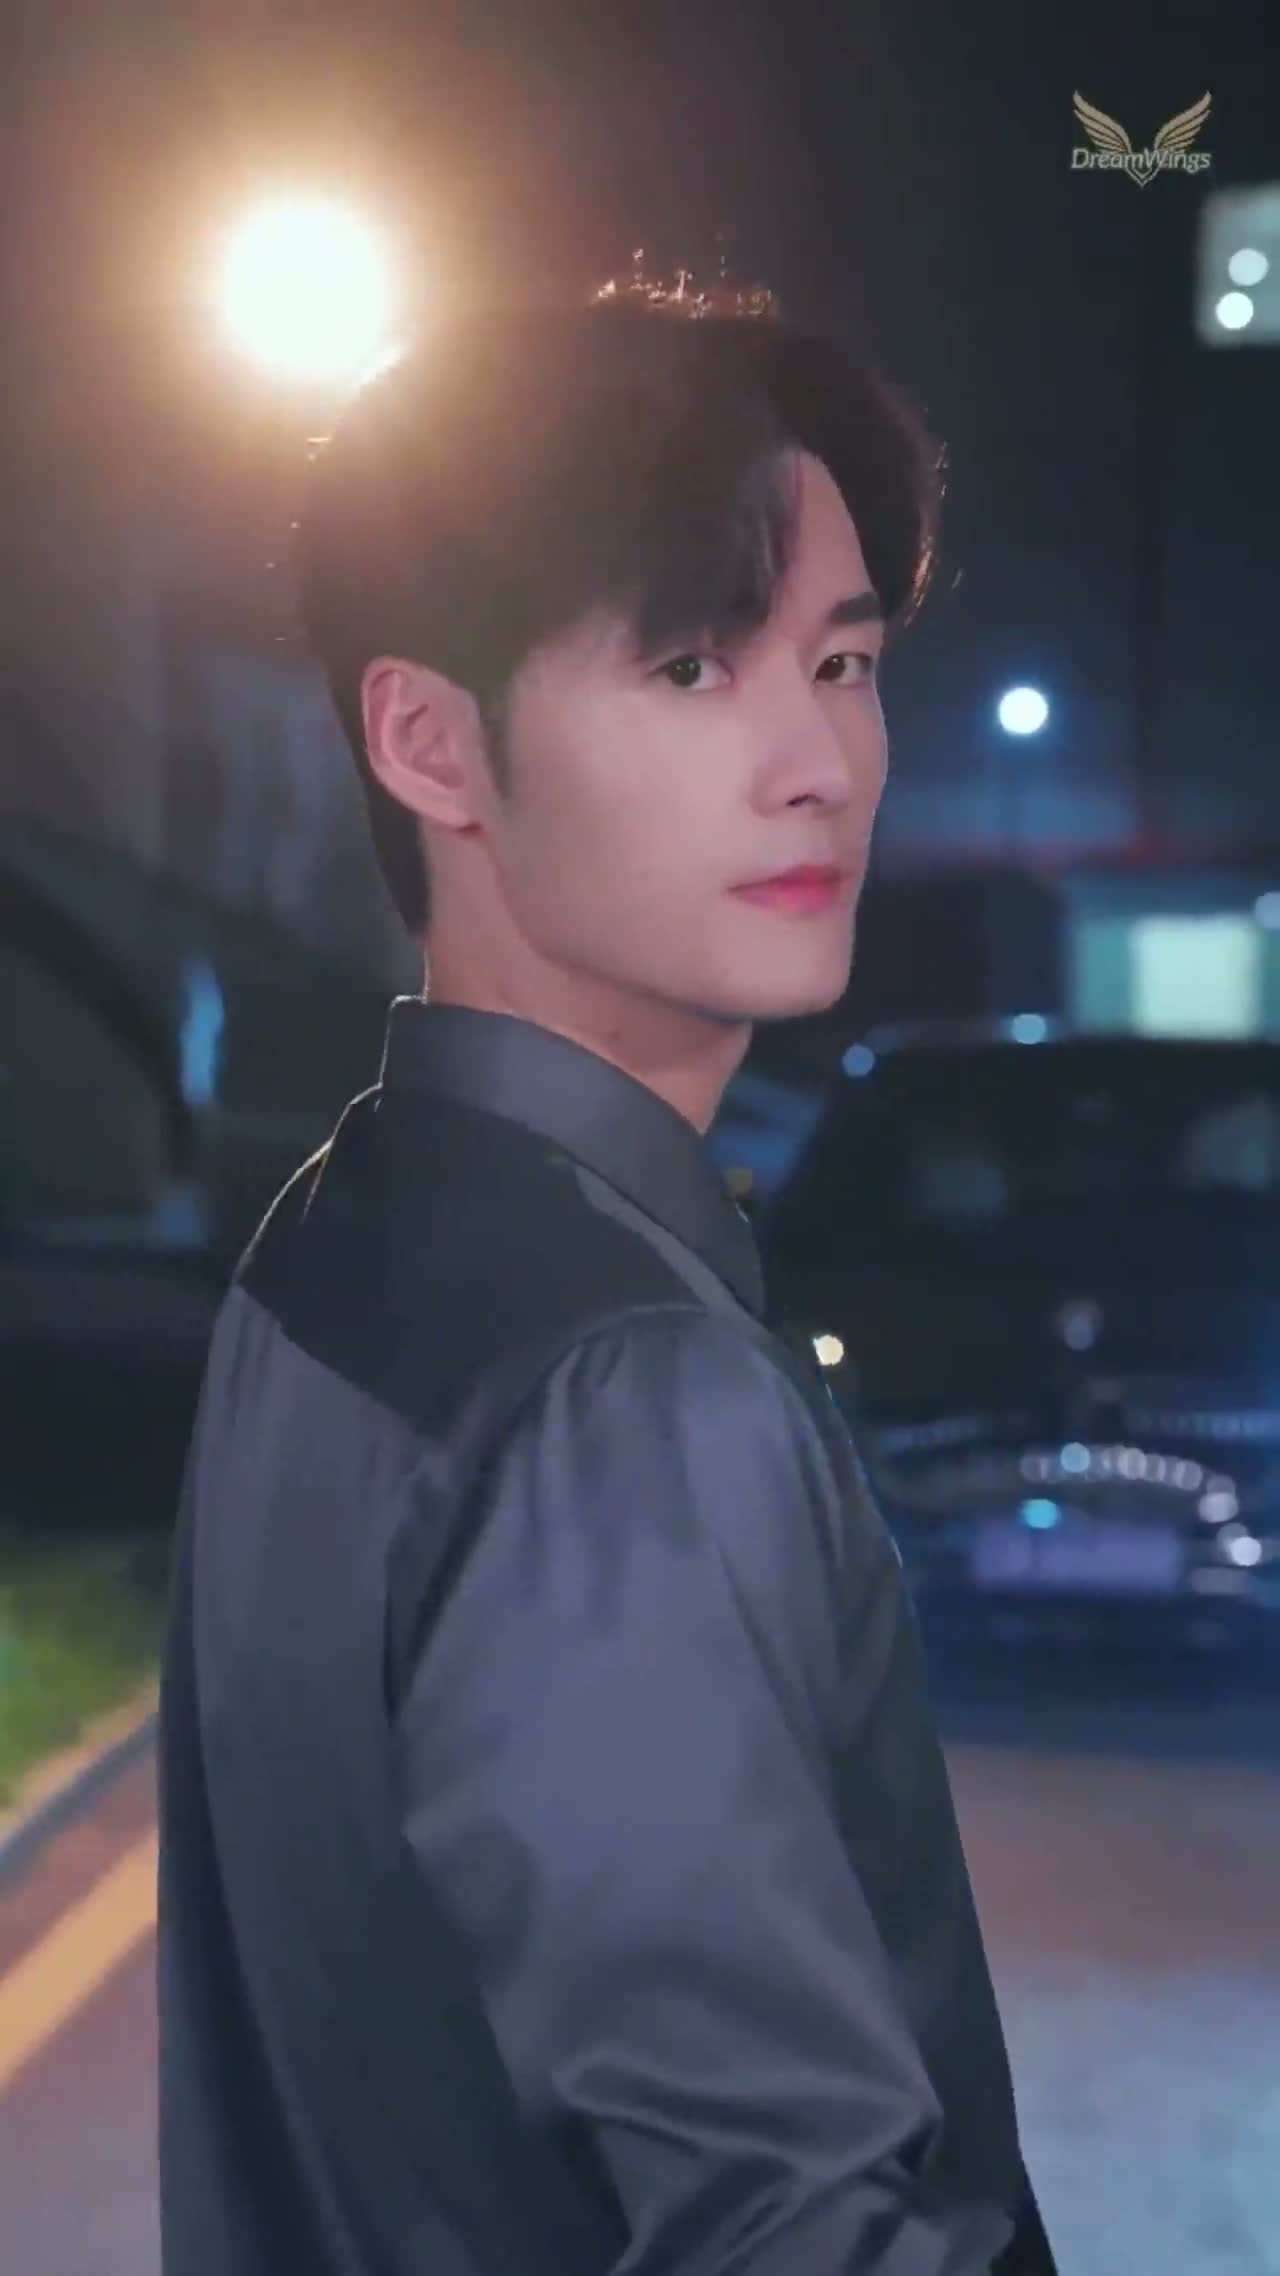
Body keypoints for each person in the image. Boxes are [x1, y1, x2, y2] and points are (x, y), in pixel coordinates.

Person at [157, 291, 1057, 2275]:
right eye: (690, 664)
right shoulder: (618, 1383)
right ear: (430, 741)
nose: (818, 763)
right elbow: (785, 2224)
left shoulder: (342, 1225)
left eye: (842, 662)